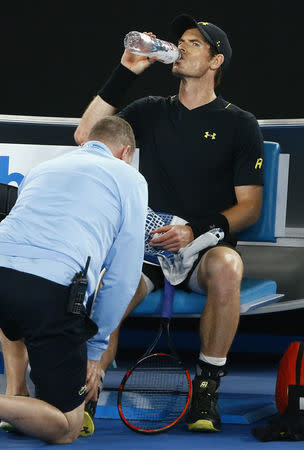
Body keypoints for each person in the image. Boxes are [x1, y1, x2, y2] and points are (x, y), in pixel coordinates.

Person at [73, 13, 265, 433]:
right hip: (148, 249)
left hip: (202, 247)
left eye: (193, 43)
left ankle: (206, 391)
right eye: (179, 41)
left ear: (215, 61)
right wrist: (125, 71)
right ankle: (86, 393)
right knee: (110, 283)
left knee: (228, 267)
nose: (180, 48)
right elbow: (87, 135)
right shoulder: (149, 111)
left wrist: (193, 230)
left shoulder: (240, 123)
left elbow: (248, 208)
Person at [0, 115, 148, 444]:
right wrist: (93, 352)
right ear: (126, 152)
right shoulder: (129, 178)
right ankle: (15, 401)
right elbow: (123, 278)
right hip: (49, 290)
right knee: (67, 426)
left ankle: (17, 391)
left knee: (13, 301)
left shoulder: (44, 169)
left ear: (85, 143)